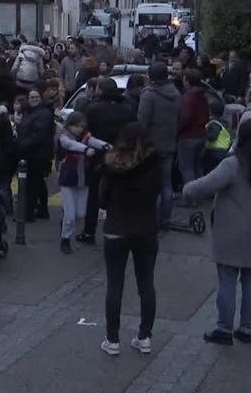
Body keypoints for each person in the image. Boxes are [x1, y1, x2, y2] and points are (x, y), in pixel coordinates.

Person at [184, 119, 251, 345]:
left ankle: (224, 328)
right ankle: (246, 328)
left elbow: (205, 185)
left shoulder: (233, 164)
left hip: (231, 229)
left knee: (227, 279)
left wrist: (187, 189)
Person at [99, 122, 162, 356]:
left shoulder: (112, 165)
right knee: (146, 282)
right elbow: (159, 192)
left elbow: (102, 199)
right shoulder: (154, 166)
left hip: (117, 227)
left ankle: (112, 339)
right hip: (145, 228)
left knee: (115, 284)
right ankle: (144, 336)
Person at [80, 78, 135, 242]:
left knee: (93, 194)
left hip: (97, 156)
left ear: (100, 90)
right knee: (118, 193)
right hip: (120, 155)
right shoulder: (128, 109)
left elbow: (84, 131)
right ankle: (117, 230)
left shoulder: (92, 109)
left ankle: (89, 232)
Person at [56, 111, 109, 254]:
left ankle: (66, 222)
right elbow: (71, 145)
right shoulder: (64, 137)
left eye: (82, 126)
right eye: (77, 126)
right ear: (70, 126)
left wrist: (106, 146)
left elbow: (95, 141)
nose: (80, 129)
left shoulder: (86, 137)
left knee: (80, 213)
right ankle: (65, 239)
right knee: (70, 215)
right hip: (68, 178)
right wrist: (85, 150)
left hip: (83, 179)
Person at [137, 63, 181, 228]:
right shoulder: (175, 94)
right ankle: (165, 218)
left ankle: (152, 219)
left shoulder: (148, 95)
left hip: (150, 145)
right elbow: (179, 118)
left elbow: (142, 121)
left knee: (151, 184)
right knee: (166, 183)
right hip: (169, 143)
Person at [15, 87, 57, 222]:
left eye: (36, 97)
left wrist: (20, 145)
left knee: (32, 184)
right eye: (32, 97)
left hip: (37, 154)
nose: (34, 99)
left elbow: (37, 135)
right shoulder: (29, 112)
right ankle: (42, 210)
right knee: (38, 182)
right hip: (34, 152)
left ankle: (28, 214)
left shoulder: (43, 114)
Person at [176, 69, 209, 193]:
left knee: (187, 168)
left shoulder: (188, 97)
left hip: (188, 136)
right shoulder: (203, 95)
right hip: (201, 134)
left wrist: (177, 130)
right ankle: (201, 193)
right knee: (198, 167)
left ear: (188, 81)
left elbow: (185, 117)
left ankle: (190, 197)